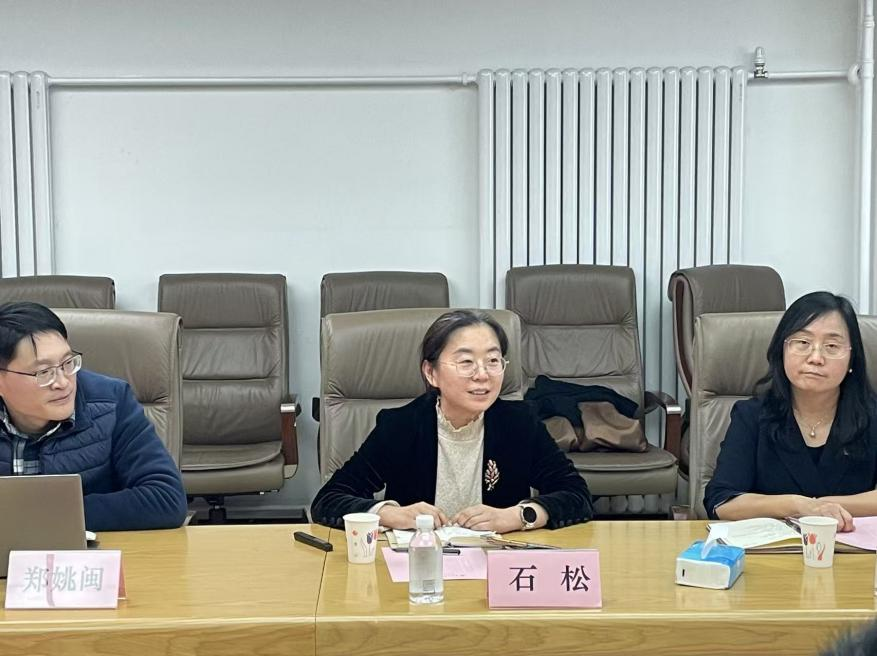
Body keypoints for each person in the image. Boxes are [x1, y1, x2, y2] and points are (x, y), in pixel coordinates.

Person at [311, 309, 593, 533]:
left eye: (493, 361)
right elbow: (329, 500)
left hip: (496, 568)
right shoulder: (401, 426)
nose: (482, 374)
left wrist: (518, 516)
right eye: (466, 362)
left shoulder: (519, 424)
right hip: (418, 567)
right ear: (431, 373)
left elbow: (577, 495)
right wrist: (390, 514)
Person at [0, 301, 188, 531]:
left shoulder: (112, 401)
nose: (63, 382)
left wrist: (46, 517)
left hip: (89, 549)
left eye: (67, 363)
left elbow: (166, 499)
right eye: (44, 372)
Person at [704, 292, 877, 531]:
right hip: (771, 548)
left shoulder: (871, 416)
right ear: (782, 350)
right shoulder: (752, 415)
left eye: (832, 346)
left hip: (850, 549)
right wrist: (796, 505)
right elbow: (722, 502)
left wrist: (821, 507)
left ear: (851, 359)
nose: (816, 358)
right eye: (803, 343)